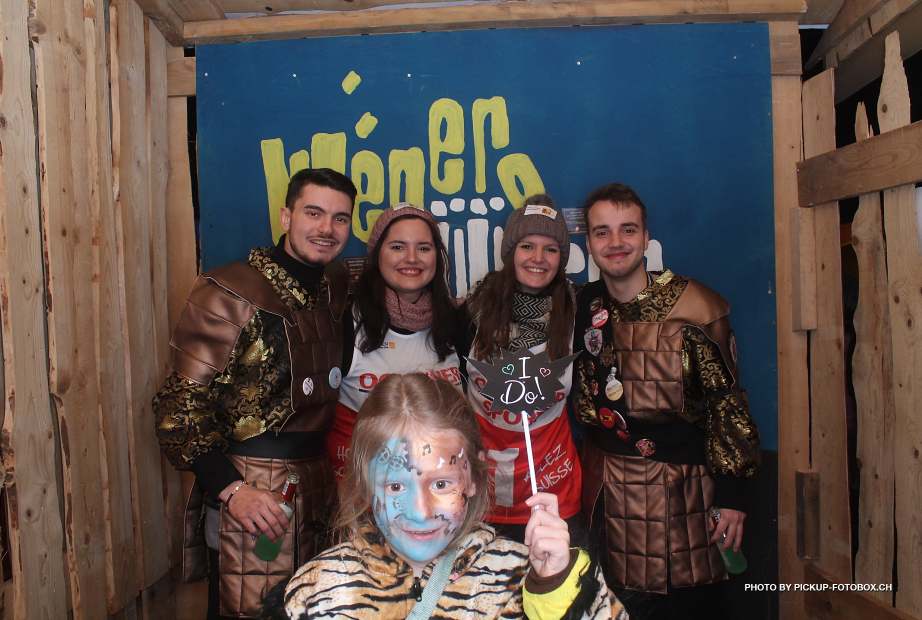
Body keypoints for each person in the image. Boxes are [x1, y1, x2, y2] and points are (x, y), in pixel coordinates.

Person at [153, 168, 357, 619]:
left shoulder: (336, 287)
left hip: (319, 488)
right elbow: (178, 408)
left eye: (340, 218)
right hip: (251, 488)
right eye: (313, 213)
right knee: (248, 609)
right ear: (286, 216)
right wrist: (231, 489)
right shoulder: (229, 292)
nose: (326, 228)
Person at [284, 373, 627, 620]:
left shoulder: (521, 576)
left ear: (474, 477)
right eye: (395, 487)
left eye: (441, 484)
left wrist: (556, 588)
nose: (421, 512)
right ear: (364, 484)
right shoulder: (318, 591)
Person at [573, 182, 760, 619]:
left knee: (686, 607)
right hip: (604, 492)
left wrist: (733, 496)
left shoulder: (695, 308)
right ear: (589, 244)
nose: (615, 242)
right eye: (602, 232)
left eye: (627, 229)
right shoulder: (582, 306)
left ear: (646, 237)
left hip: (684, 493)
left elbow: (727, 406)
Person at [462, 194, 583, 543]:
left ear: (561, 258)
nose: (538, 258)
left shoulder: (579, 310)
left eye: (551, 249)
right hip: (482, 490)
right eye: (527, 246)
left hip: (552, 488)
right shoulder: (474, 309)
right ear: (510, 252)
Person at [326, 203, 464, 480]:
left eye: (423, 248)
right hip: (364, 488)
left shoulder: (457, 322)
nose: (411, 258)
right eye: (398, 247)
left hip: (438, 490)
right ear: (378, 254)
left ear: (437, 257)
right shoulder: (344, 320)